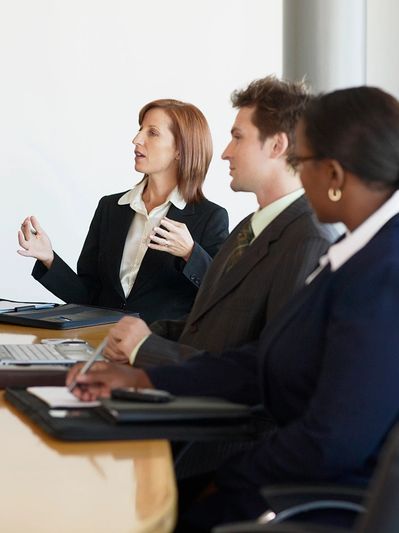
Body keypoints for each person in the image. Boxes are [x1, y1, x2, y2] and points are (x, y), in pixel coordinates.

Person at [67, 86, 399, 532]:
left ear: (335, 174)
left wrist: (227, 481)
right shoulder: (355, 255)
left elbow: (333, 439)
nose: (298, 173)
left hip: (300, 497)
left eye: (306, 161)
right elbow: (265, 362)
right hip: (271, 469)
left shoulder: (380, 272)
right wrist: (145, 375)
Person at [99, 76, 337, 368]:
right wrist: (140, 338)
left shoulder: (309, 239)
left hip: (218, 406)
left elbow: (271, 368)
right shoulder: (248, 228)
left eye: (238, 137)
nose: (225, 152)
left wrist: (146, 351)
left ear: (277, 146)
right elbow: (208, 324)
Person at [17, 99, 229, 323]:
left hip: (158, 352)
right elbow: (87, 297)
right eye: (140, 130)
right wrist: (49, 258)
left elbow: (223, 295)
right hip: (99, 344)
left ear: (180, 149)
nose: (136, 139)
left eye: (153, 133)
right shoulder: (110, 208)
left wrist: (190, 253)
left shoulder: (210, 217)